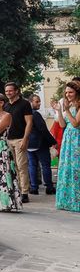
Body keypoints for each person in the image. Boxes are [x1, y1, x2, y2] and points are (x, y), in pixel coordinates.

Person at [4, 82, 33, 203]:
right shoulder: (5, 106)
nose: (8, 93)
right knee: (12, 167)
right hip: (8, 139)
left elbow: (29, 123)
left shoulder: (24, 104)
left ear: (17, 91)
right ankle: (17, 190)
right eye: (6, 91)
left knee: (22, 166)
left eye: (10, 91)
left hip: (20, 138)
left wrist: (25, 139)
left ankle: (24, 192)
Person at [53, 81, 80, 212]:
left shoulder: (79, 105)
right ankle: (66, 200)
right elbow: (63, 125)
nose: (68, 94)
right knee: (67, 167)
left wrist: (68, 109)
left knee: (76, 168)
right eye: (66, 92)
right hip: (68, 139)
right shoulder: (67, 105)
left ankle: (76, 201)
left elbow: (75, 123)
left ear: (77, 93)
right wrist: (59, 111)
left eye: (71, 92)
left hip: (77, 139)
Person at [27, 94, 57, 195]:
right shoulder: (35, 114)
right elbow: (43, 129)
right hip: (39, 143)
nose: (39, 103)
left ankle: (34, 187)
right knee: (45, 165)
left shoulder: (24, 113)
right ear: (31, 102)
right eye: (37, 101)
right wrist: (53, 141)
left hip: (28, 144)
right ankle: (49, 187)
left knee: (32, 165)